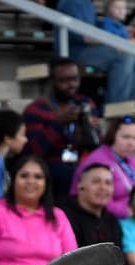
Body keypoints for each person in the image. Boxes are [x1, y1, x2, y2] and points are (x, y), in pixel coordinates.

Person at [23, 57, 102, 199]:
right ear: (52, 81)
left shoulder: (85, 103)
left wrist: (89, 130)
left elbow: (96, 146)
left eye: (74, 79)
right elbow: (34, 151)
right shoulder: (35, 110)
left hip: (80, 167)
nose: (71, 85)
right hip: (51, 172)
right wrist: (58, 123)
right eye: (64, 81)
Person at [56, 0, 135, 105]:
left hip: (92, 49)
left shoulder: (88, 4)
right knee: (124, 56)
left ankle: (127, 106)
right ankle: (115, 111)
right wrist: (120, 42)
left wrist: (122, 30)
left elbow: (94, 27)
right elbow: (83, 37)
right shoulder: (72, 3)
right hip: (76, 52)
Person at [67, 115, 135, 218]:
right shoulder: (97, 161)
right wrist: (130, 212)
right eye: (126, 137)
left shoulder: (133, 161)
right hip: (99, 220)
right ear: (113, 136)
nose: (131, 143)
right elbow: (96, 200)